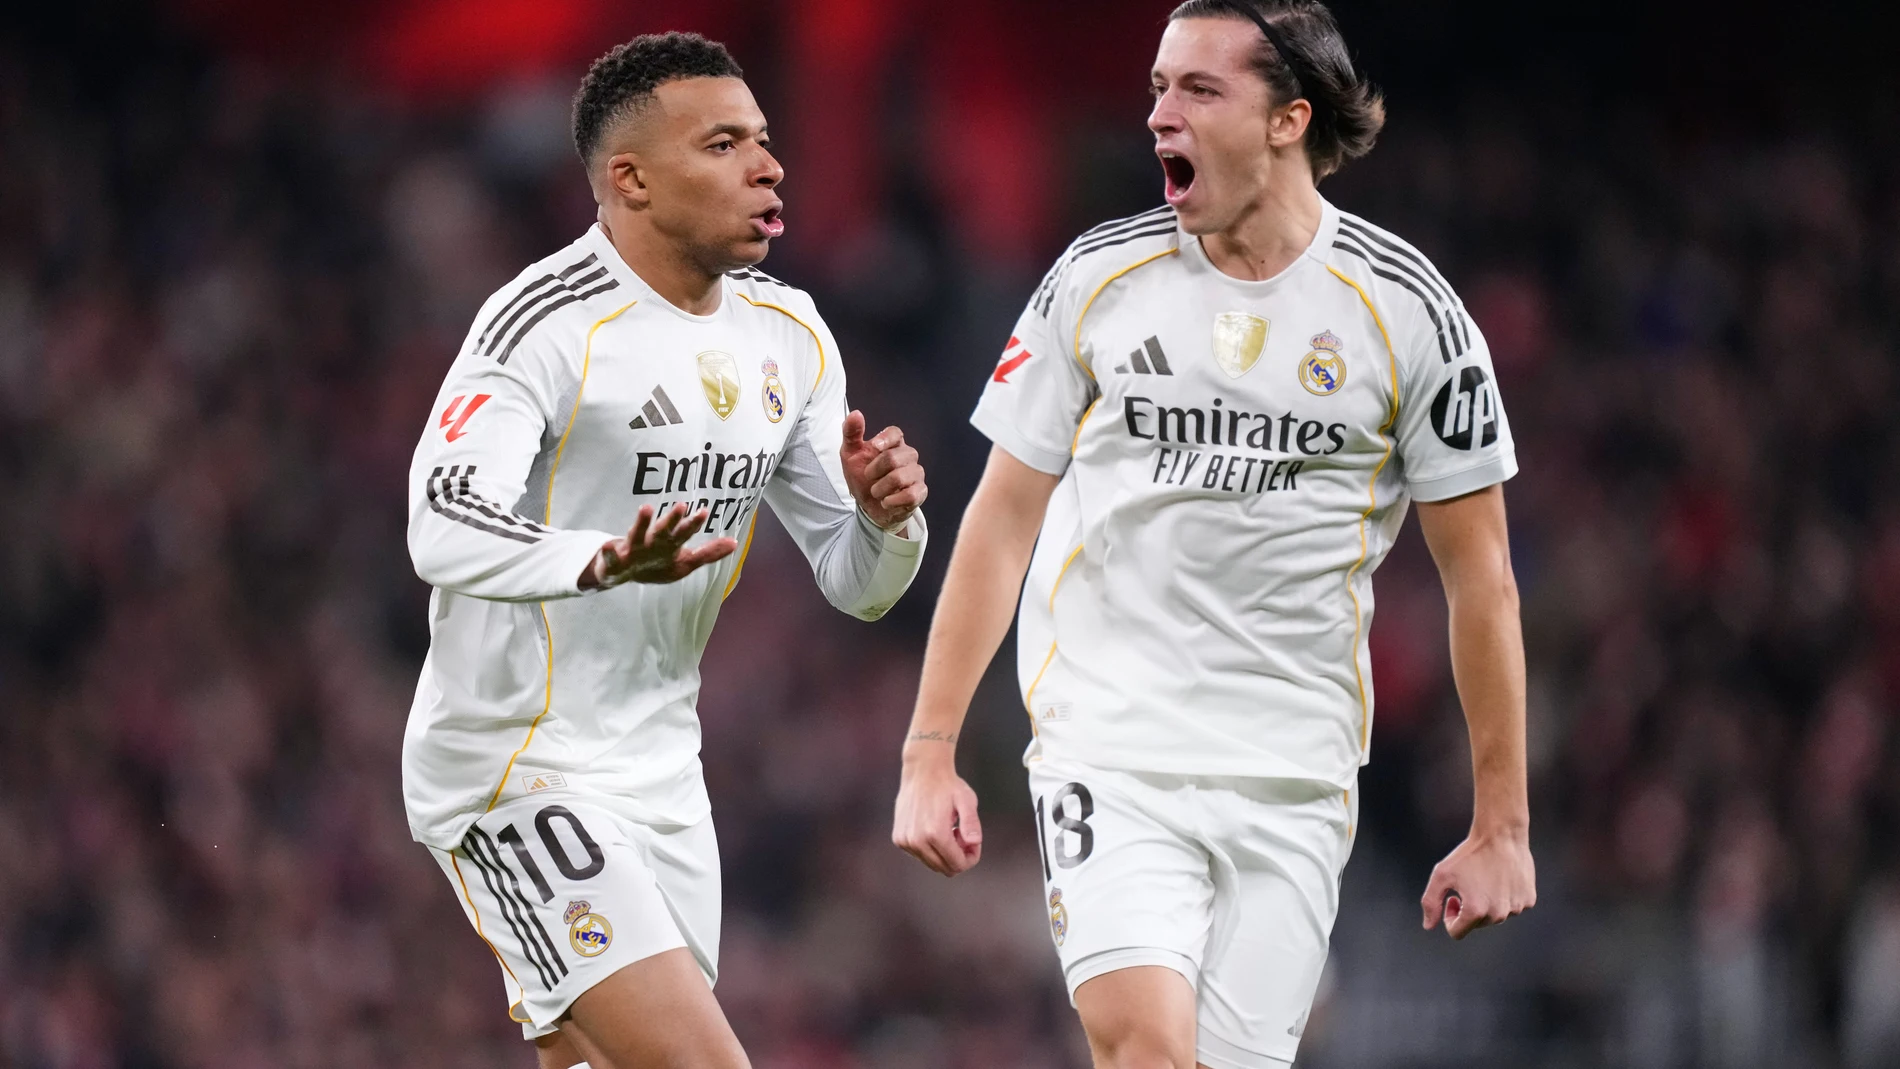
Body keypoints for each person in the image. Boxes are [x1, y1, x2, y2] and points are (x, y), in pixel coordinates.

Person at [890, 2, 1533, 1066]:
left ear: (1288, 119)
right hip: (1112, 747)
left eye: (1198, 89)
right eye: (1157, 88)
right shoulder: (1096, 281)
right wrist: (929, 750)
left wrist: (1500, 824)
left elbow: (1482, 579)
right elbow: (1001, 520)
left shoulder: (1407, 312)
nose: (1159, 115)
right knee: (1146, 1047)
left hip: (1294, 775)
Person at [404, 32, 928, 1069]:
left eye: (763, 140)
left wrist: (885, 521)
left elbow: (858, 585)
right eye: (723, 144)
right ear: (630, 180)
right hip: (518, 763)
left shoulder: (788, 334)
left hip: (663, 776)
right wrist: (596, 560)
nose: (767, 166)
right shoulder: (544, 323)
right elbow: (443, 515)